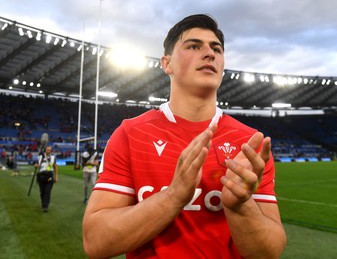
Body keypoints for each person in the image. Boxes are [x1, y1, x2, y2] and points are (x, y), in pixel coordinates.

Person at [83, 14, 286, 259]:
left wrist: (240, 206)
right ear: (167, 64)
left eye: (216, 49)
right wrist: (174, 196)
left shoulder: (250, 144)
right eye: (193, 46)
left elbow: (269, 252)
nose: (209, 53)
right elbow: (95, 242)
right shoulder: (131, 134)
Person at [34, 146, 58, 212]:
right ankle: (43, 203)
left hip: (49, 175)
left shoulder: (53, 157)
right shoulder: (40, 157)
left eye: (50, 150)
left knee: (47, 191)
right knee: (42, 192)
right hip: (41, 175)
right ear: (45, 150)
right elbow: (36, 164)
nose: (49, 151)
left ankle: (45, 206)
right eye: (47, 149)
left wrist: (56, 177)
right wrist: (35, 165)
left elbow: (55, 167)